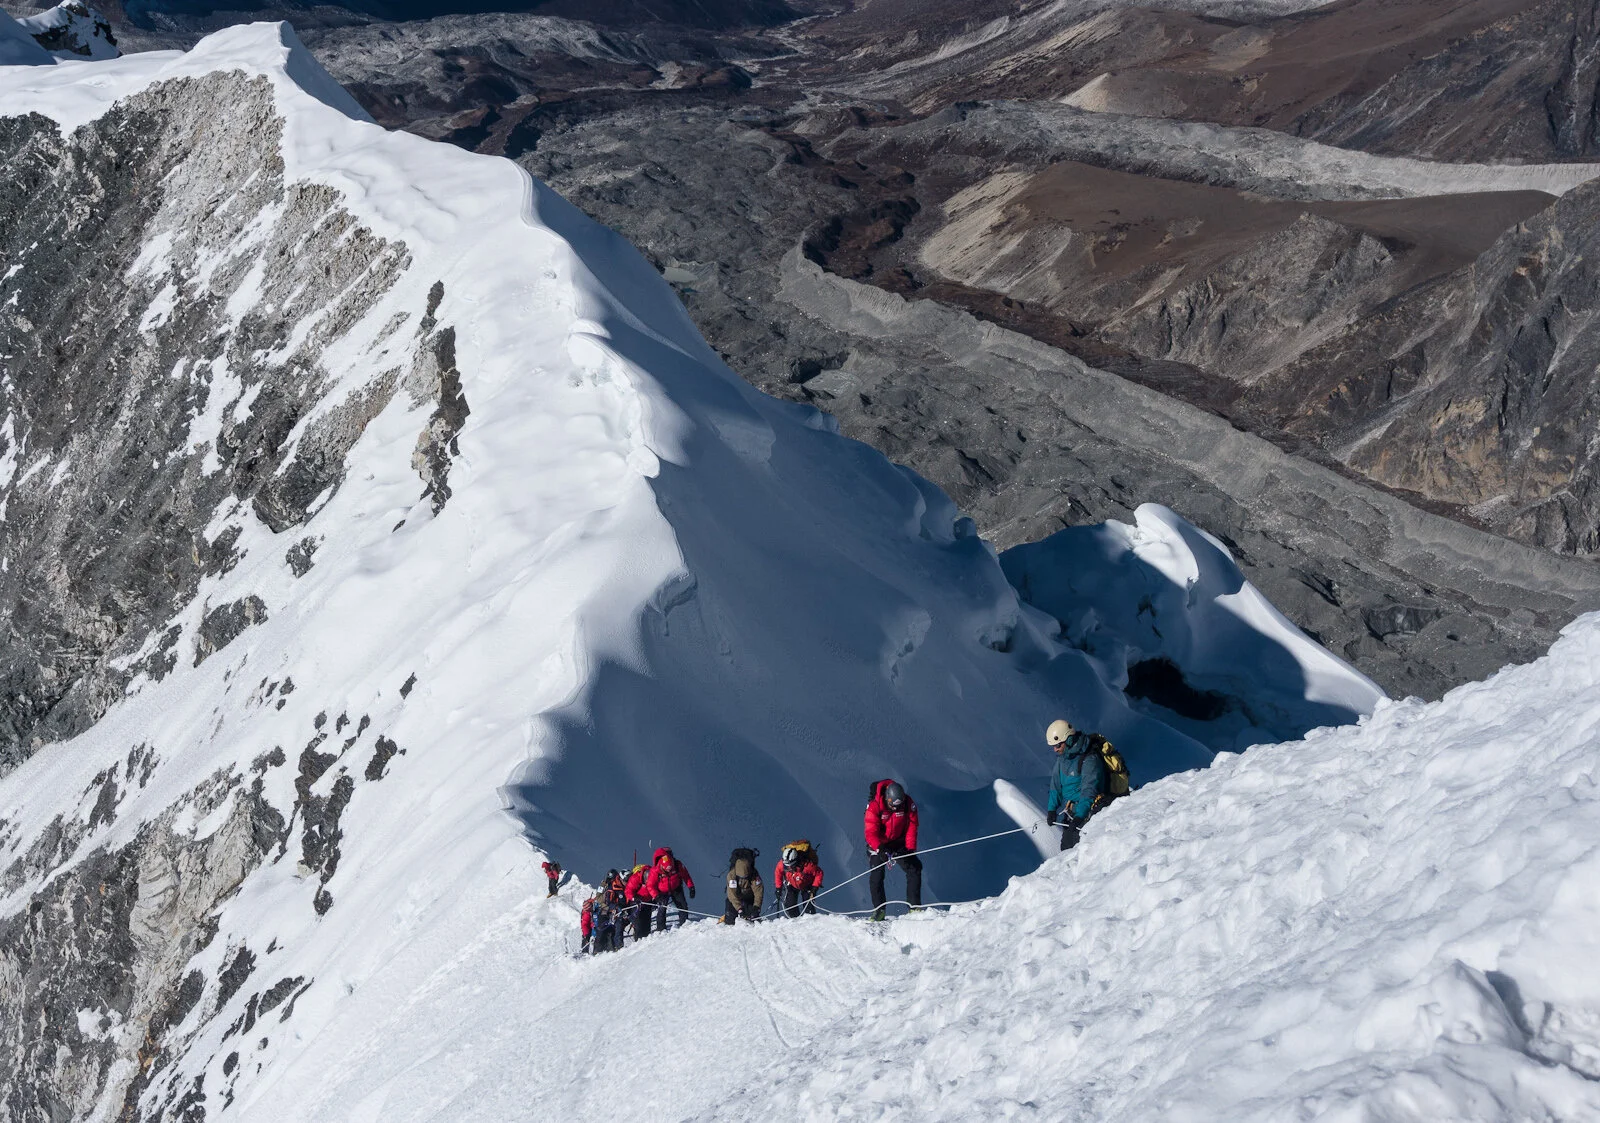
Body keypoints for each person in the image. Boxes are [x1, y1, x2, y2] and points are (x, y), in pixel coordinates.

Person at [1044, 719, 1107, 852]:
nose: (1055, 749)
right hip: (1073, 812)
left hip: (1089, 811)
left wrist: (1079, 817)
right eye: (1054, 746)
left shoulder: (1089, 758)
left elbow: (1089, 790)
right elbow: (1056, 785)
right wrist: (1051, 809)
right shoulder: (1063, 759)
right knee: (1066, 849)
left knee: (1080, 851)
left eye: (1058, 745)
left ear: (1069, 739)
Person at [864, 779, 921, 920]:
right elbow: (870, 832)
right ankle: (879, 911)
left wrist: (910, 848)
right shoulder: (874, 807)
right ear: (886, 798)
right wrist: (881, 848)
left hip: (899, 842)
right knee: (876, 875)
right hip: (880, 844)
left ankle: (914, 907)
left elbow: (912, 826)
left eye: (898, 805)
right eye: (892, 805)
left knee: (915, 868)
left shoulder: (908, 804)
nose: (895, 808)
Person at [646, 846, 696, 930]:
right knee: (662, 908)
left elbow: (686, 876)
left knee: (683, 905)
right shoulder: (655, 870)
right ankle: (661, 929)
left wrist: (691, 887)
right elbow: (650, 885)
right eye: (666, 870)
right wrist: (656, 896)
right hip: (662, 891)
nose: (669, 871)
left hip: (676, 887)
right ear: (661, 866)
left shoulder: (678, 865)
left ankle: (684, 925)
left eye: (670, 869)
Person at [772, 840, 824, 918]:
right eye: (786, 866)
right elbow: (778, 872)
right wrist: (778, 888)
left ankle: (810, 922)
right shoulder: (782, 864)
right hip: (792, 883)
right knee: (789, 905)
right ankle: (796, 921)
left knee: (808, 906)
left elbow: (819, 873)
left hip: (807, 884)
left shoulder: (807, 866)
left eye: (790, 866)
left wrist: (815, 887)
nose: (788, 868)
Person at [721, 847, 763, 924]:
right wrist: (739, 908)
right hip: (735, 899)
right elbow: (731, 895)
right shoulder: (731, 875)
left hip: (749, 898)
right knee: (730, 920)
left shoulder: (754, 874)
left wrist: (756, 907)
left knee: (752, 919)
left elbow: (758, 891)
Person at [625, 862, 656, 941]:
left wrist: (656, 897)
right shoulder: (635, 878)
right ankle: (638, 940)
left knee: (647, 922)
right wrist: (634, 898)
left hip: (648, 902)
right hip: (637, 903)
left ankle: (646, 939)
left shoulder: (654, 877)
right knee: (638, 923)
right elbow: (628, 891)